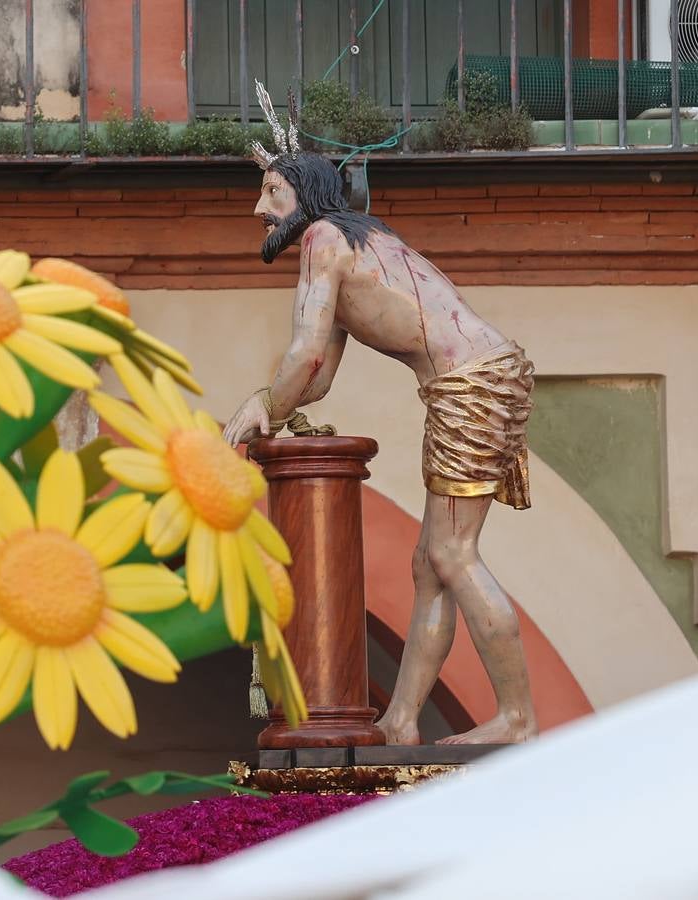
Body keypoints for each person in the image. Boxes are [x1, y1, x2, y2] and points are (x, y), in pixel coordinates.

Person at [222, 84, 537, 745]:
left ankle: (516, 719)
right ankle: (400, 720)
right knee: (432, 563)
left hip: (469, 385)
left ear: (301, 197)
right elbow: (320, 374)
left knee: (453, 555)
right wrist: (276, 407)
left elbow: (304, 354)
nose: (259, 208)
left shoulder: (323, 242)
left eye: (271, 194)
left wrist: (260, 404)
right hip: (482, 378)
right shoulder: (358, 241)